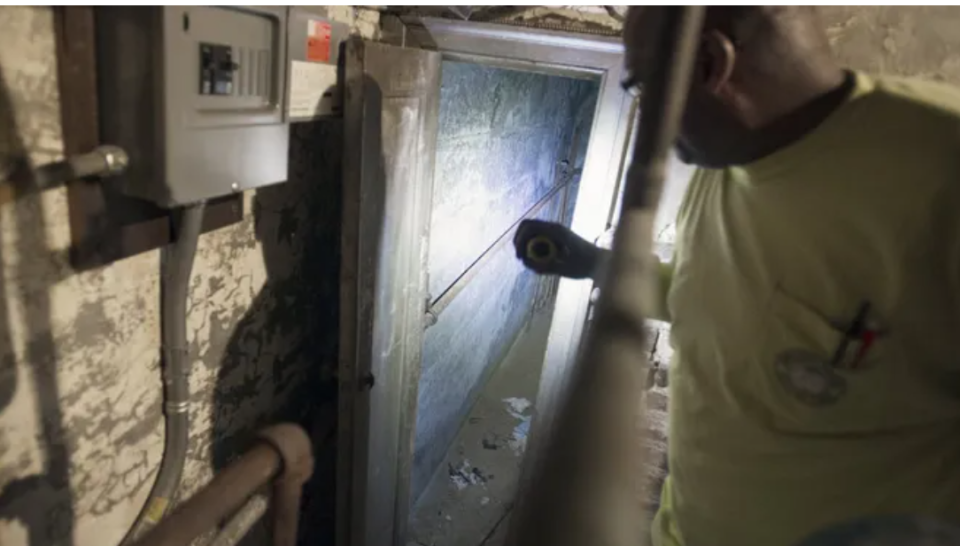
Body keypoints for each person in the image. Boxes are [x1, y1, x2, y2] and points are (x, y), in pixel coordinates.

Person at [513, 6, 960, 546]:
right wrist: (594, 264)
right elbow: (710, 294)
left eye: (641, 88)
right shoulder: (726, 162)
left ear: (710, 65)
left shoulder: (938, 169)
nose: (646, 114)